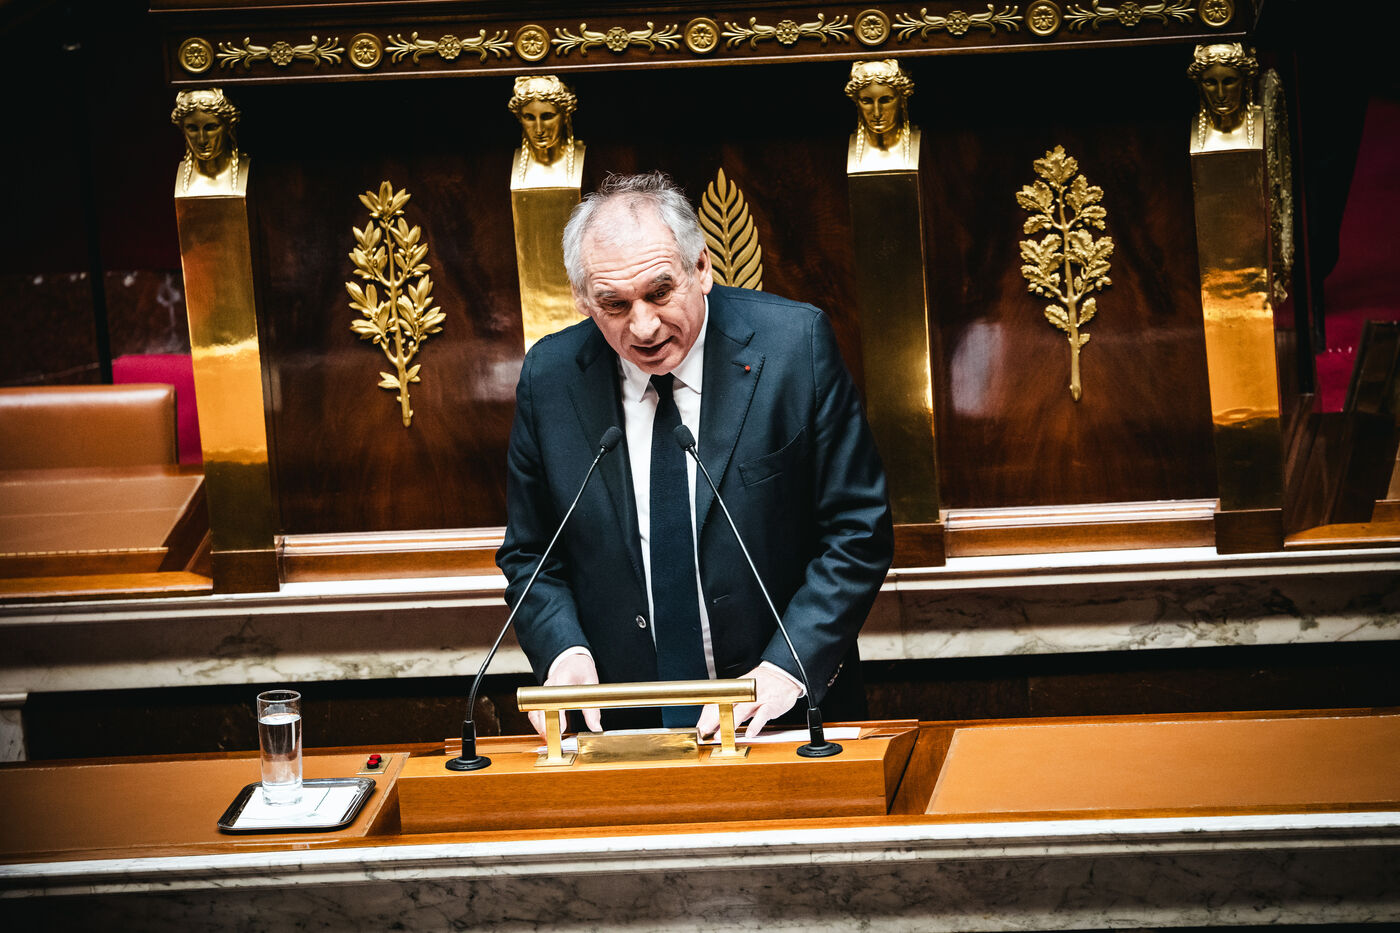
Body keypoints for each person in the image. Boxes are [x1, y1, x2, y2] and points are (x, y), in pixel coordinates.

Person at [497, 172, 893, 739]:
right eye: (614, 304)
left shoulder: (793, 346)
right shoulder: (551, 377)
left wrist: (786, 666)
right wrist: (564, 652)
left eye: (660, 292)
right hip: (621, 727)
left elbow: (858, 531)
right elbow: (532, 553)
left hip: (781, 713)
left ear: (701, 267)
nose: (643, 326)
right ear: (583, 300)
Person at [507, 75, 584, 188]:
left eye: (547, 116)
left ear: (566, 115)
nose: (539, 130)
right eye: (529, 117)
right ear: (520, 118)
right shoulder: (507, 163)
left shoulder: (586, 158)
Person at [845, 59, 919, 172]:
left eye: (885, 100)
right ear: (857, 102)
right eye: (867, 101)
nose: (877, 113)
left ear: (902, 100)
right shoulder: (844, 148)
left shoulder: (924, 144)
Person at [1187, 43, 1261, 153]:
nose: (1221, 95)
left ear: (1245, 82)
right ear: (1200, 85)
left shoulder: (1260, 124)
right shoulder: (1195, 131)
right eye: (1210, 83)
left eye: (1229, 82)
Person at [170, 88, 244, 196]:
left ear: (229, 127)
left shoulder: (246, 169)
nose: (202, 140)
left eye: (211, 128)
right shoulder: (182, 176)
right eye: (192, 128)